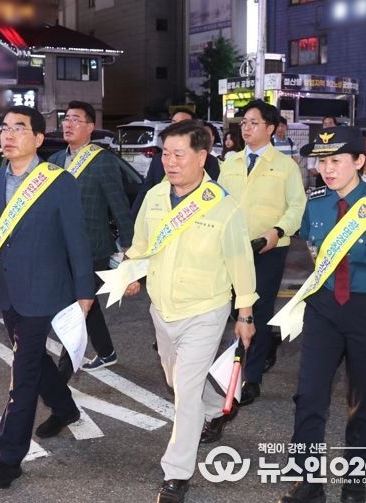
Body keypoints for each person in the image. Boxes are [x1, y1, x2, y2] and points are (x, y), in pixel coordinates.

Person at [0, 105, 95, 489]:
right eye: (5, 128)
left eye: (19, 128)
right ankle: (64, 407)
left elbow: (77, 239)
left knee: (23, 370)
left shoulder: (58, 182)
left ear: (38, 139)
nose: (8, 135)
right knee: (33, 357)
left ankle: (9, 458)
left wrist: (85, 292)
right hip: (6, 289)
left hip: (44, 291)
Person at [123, 121, 257, 503]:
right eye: (165, 153)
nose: (170, 161)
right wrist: (130, 273)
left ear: (201, 157)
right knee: (178, 381)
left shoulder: (223, 205)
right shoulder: (155, 197)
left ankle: (176, 474)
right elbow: (141, 245)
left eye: (179, 154)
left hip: (205, 310)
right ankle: (217, 408)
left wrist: (245, 314)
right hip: (162, 310)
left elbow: (241, 262)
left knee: (184, 391)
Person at [276, 126, 366, 503]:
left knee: (363, 399)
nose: (328, 169)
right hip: (324, 309)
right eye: (322, 162)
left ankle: (355, 481)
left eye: (336, 161)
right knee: (309, 395)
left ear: (360, 160)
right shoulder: (316, 202)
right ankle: (308, 482)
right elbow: (312, 248)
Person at [217, 99, 306, 408]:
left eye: (254, 123)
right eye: (244, 123)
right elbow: (217, 201)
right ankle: (257, 347)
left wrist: (278, 231)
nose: (246, 128)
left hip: (268, 249)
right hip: (232, 249)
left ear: (270, 128)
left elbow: (297, 206)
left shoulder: (285, 165)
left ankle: (251, 377)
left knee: (259, 310)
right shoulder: (230, 162)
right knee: (234, 307)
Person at [48, 101, 134, 377]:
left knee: (74, 306)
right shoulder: (55, 161)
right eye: (66, 119)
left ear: (90, 127)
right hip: (61, 248)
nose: (68, 124)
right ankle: (106, 352)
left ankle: (61, 376)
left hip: (93, 247)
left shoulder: (102, 161)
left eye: (76, 119)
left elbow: (119, 205)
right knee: (86, 301)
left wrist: (129, 248)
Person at [131, 109, 220, 219]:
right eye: (174, 122)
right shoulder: (153, 191)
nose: (171, 162)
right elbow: (145, 190)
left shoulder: (211, 163)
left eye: (179, 155)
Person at [307, 116, 338, 188]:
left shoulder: (340, 138)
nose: (327, 126)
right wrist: (311, 167)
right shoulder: (319, 138)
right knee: (320, 193)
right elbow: (312, 153)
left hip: (337, 174)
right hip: (321, 174)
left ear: (335, 125)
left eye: (330, 123)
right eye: (325, 124)